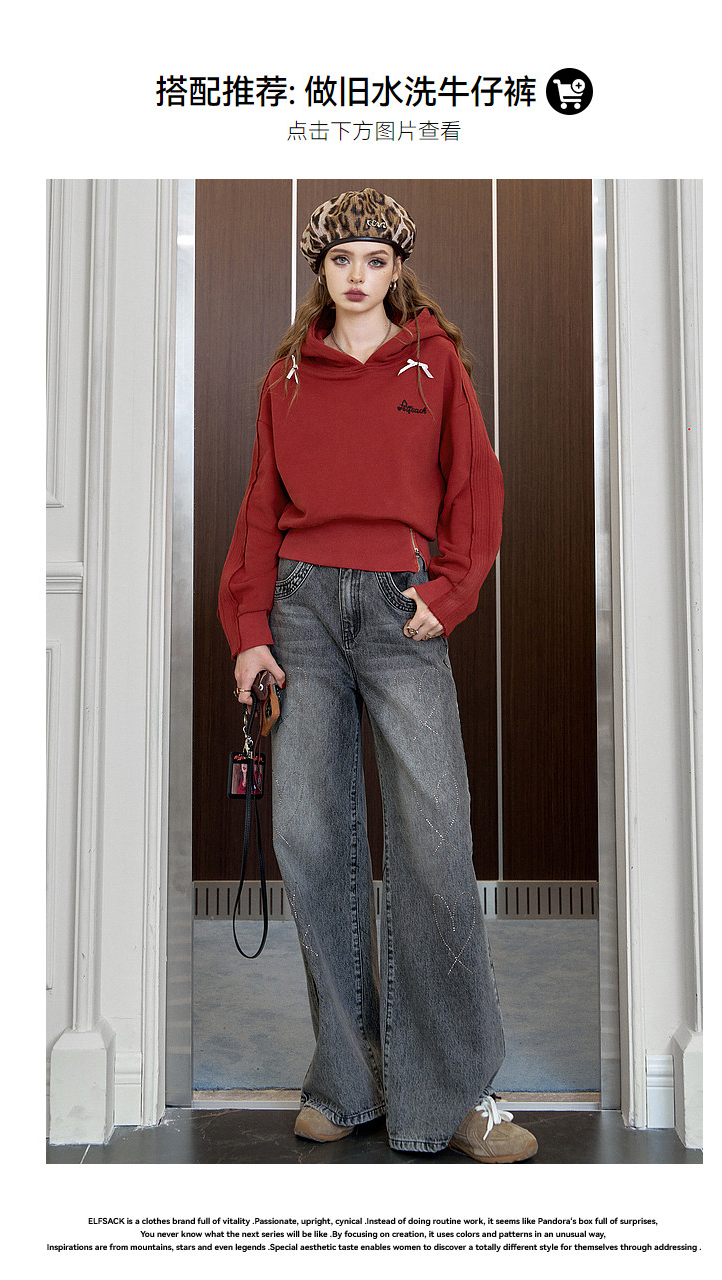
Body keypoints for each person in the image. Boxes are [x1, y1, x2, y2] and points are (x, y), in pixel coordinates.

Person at [218, 187, 538, 1163]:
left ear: (397, 269)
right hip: (302, 611)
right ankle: (346, 1078)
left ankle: (458, 1093)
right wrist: (249, 630)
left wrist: (452, 589)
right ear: (320, 271)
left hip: (402, 611)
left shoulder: (435, 365)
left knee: (434, 844)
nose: (356, 275)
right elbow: (260, 509)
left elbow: (476, 485)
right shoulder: (288, 379)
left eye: (374, 259)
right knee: (310, 837)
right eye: (339, 259)